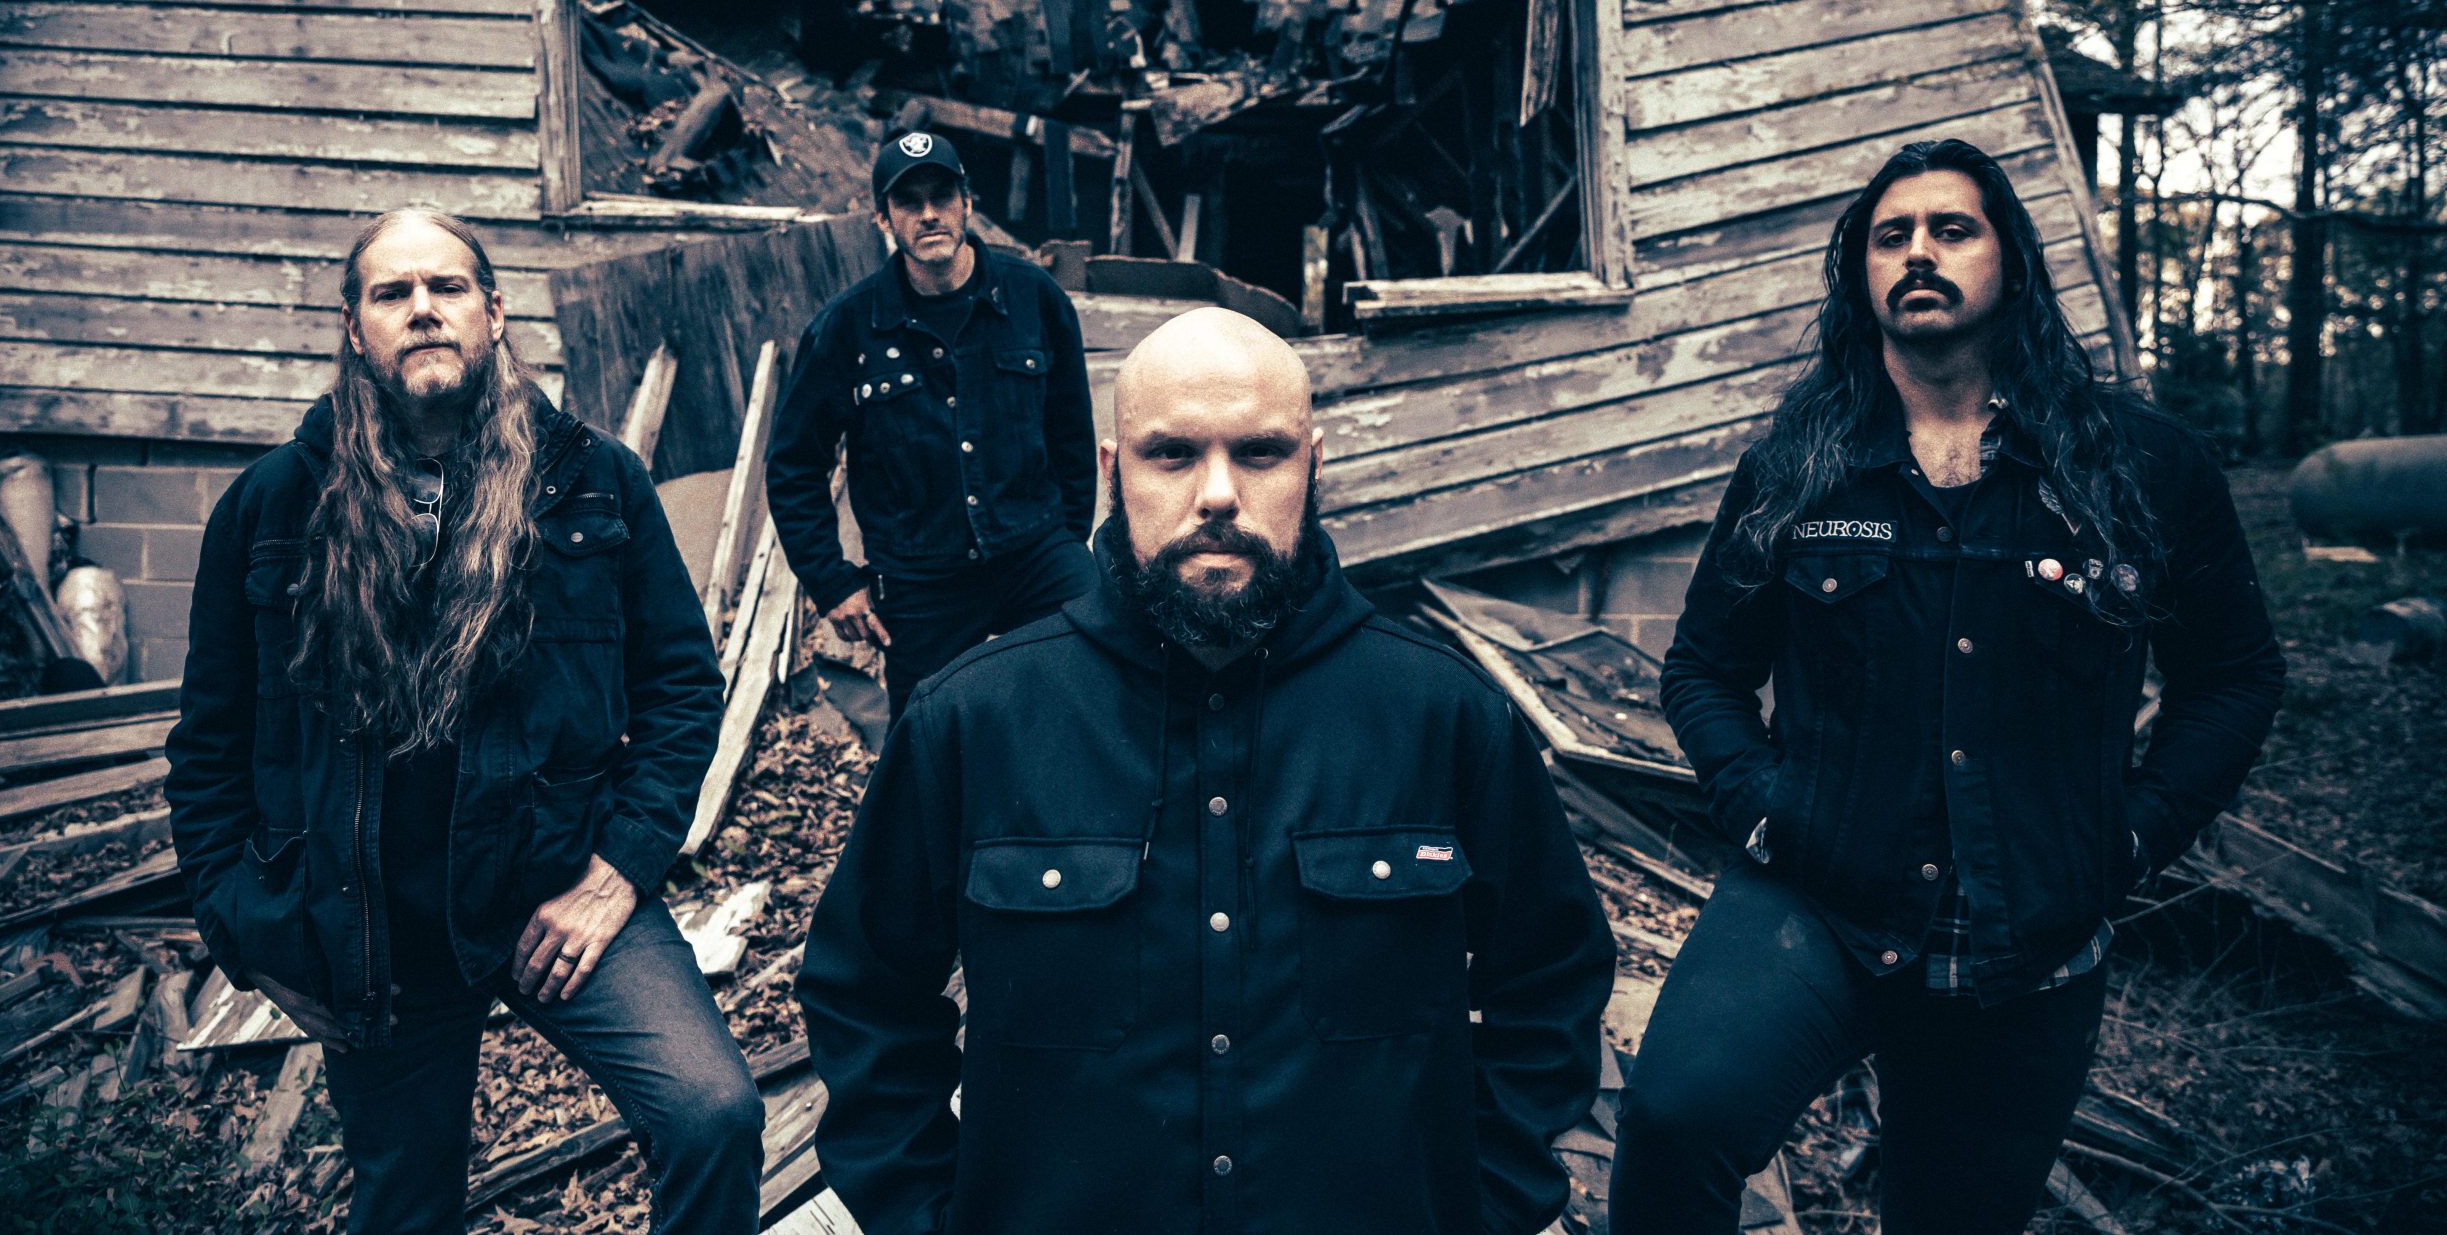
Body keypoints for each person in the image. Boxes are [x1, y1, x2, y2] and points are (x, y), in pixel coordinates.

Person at [795, 306, 1618, 1235]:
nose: (1218, 493)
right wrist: (927, 1216)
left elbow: (1551, 978)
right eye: (1174, 453)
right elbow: (865, 993)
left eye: (1260, 452)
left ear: (1314, 466)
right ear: (1113, 471)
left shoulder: (1444, 716)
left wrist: (1484, 1205)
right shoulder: (973, 721)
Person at [1612, 140, 2286, 1235]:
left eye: (1952, 229)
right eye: (1892, 236)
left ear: (2010, 263)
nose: (1918, 252)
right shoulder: (1799, 464)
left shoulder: (2141, 465)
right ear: (1861, 276)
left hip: (2033, 932)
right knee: (1672, 1120)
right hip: (1818, 895)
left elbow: (2236, 676)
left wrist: (2132, 835)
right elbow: (1703, 668)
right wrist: (1763, 806)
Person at [164, 208, 764, 1235]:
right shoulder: (272, 506)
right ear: (353, 328)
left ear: (494, 311)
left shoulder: (593, 481)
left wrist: (616, 874)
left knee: (713, 1112)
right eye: (391, 293)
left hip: (557, 884)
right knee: (406, 1204)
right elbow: (207, 748)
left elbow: (679, 690)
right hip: (375, 928)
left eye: (446, 287)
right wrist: (250, 935)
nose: (422, 309)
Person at [766, 129, 1098, 725]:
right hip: (921, 577)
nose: (928, 214)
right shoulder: (847, 329)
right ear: (883, 218)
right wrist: (832, 582)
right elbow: (793, 465)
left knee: (1094, 689)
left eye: (941, 196)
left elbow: (1071, 434)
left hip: (1034, 553)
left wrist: (1071, 543)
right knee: (926, 740)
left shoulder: (1034, 298)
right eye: (908, 201)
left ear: (967, 202)